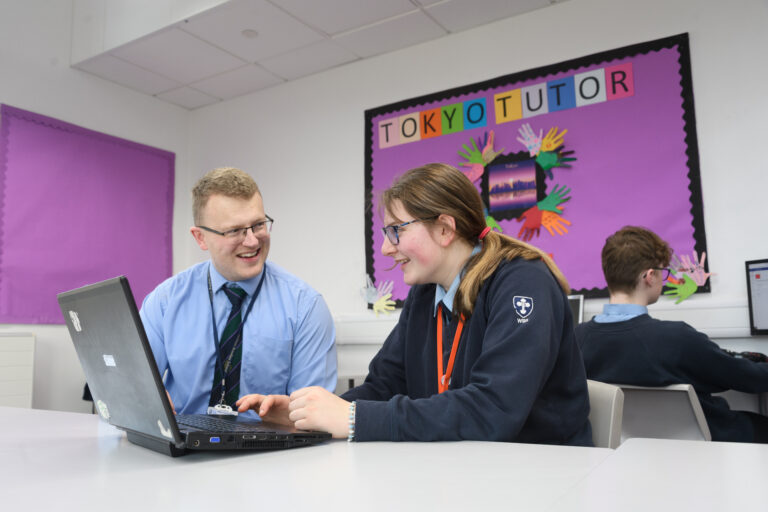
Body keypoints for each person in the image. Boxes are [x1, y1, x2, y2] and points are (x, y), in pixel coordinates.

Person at [237, 163, 592, 444]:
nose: (386, 248)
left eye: (396, 231)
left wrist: (353, 419)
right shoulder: (427, 292)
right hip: (464, 470)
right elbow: (384, 385)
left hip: (540, 474)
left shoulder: (522, 283)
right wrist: (305, 413)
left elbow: (493, 410)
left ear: (444, 229)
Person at [140, 167, 337, 415]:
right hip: (183, 448)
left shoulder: (306, 307)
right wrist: (145, 405)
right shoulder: (165, 301)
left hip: (273, 450)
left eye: (258, 225)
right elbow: (134, 387)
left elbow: (315, 416)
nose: (252, 241)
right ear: (200, 237)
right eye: (234, 231)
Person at [576, 226, 768, 443]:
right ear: (649, 276)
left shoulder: (578, 339)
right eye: (662, 272)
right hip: (711, 444)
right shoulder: (676, 338)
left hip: (629, 450)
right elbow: (746, 378)